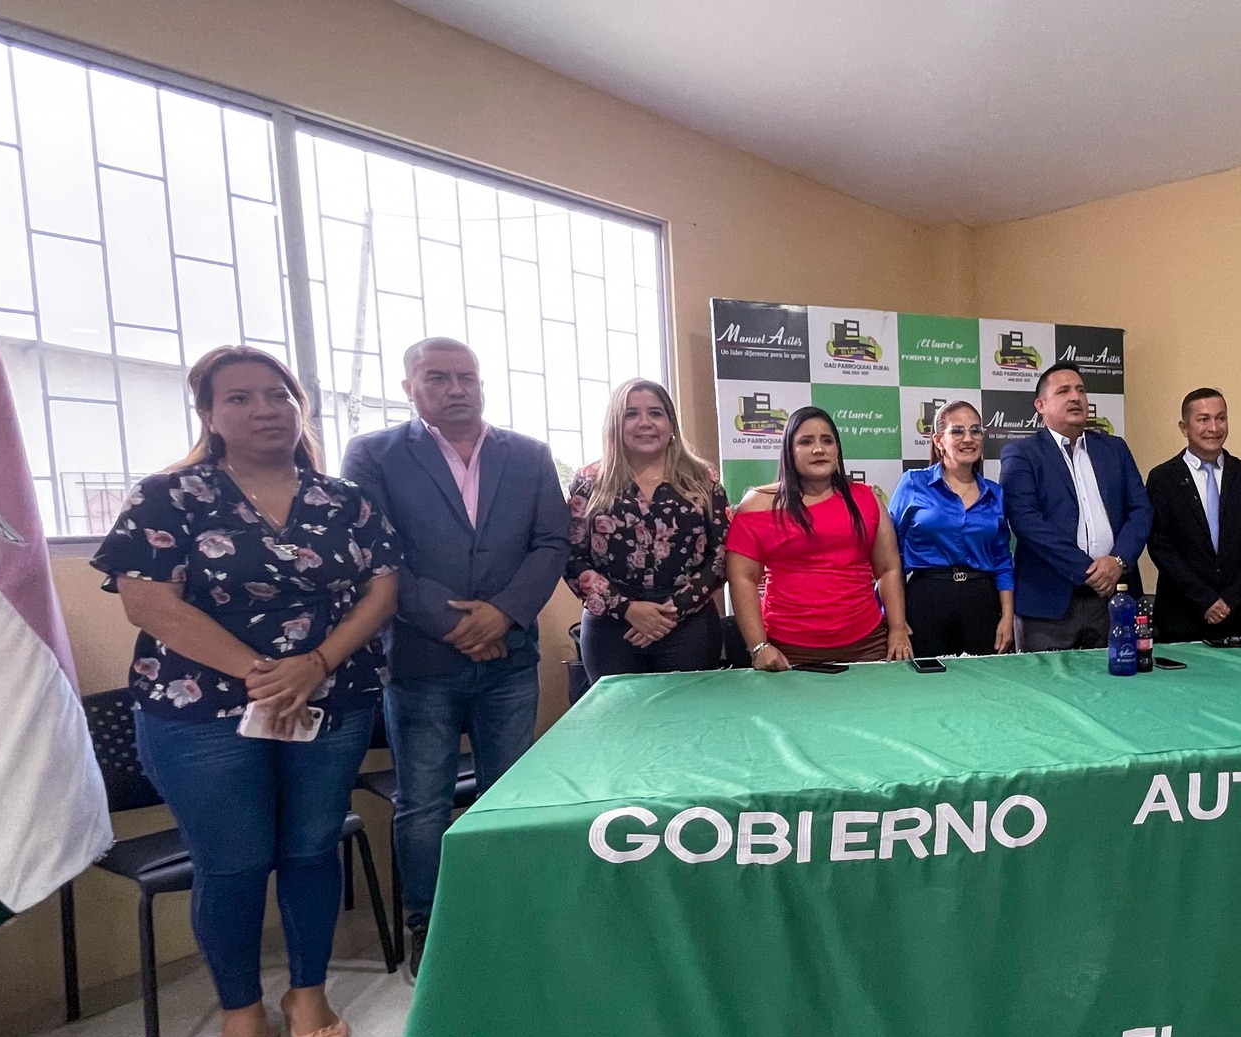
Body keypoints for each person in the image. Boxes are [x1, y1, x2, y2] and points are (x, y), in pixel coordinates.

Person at [92, 345, 399, 1037]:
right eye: (239, 398)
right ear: (209, 414)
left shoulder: (343, 500)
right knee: (232, 863)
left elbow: (382, 589)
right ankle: (239, 1007)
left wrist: (314, 664)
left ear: (300, 407)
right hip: (201, 711)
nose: (264, 409)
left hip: (329, 698)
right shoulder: (169, 496)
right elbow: (148, 601)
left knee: (310, 850)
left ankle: (308, 992)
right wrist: (262, 675)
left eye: (278, 395)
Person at [340, 337, 568, 978]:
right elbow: (377, 552)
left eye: (466, 376)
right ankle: (432, 926)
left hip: (510, 657)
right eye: (437, 378)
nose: (456, 388)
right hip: (421, 661)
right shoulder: (374, 454)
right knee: (423, 803)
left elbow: (551, 543)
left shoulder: (528, 455)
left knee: (511, 793)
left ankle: (509, 913)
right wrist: (457, 624)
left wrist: (504, 613)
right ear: (409, 388)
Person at [566, 379, 729, 681]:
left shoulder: (703, 480)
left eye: (655, 413)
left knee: (690, 711)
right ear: (615, 424)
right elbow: (571, 557)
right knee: (621, 713)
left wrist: (673, 610)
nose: (645, 423)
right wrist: (627, 609)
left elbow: (722, 555)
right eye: (631, 414)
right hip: (611, 628)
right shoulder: (588, 482)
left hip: (688, 626)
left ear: (671, 424)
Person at [724, 407, 911, 669]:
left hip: (868, 644)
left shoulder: (866, 498)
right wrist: (759, 647)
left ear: (837, 449)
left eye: (827, 440)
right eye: (806, 442)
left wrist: (898, 628)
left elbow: (888, 568)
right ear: (789, 451)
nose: (819, 449)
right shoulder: (757, 505)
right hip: (788, 652)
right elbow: (742, 579)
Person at [999, 362, 1152, 651]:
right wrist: (1090, 571)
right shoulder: (1022, 454)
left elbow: (1141, 510)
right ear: (1040, 405)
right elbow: (1026, 521)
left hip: (1114, 598)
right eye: (1064, 391)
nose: (1075, 397)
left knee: (1119, 677)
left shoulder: (1115, 448)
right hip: (1049, 605)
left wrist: (1117, 561)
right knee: (1049, 680)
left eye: (1081, 390)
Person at [888, 401, 1014, 657]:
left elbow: (1002, 560)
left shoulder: (995, 493)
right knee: (929, 679)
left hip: (982, 604)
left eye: (975, 430)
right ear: (938, 441)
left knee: (983, 680)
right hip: (926, 602)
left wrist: (1007, 617)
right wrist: (896, 624)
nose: (968, 438)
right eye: (957, 431)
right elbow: (891, 559)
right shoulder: (913, 483)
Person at [1145, 388, 1241, 642]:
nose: (1214, 427)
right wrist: (1205, 600)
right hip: (1179, 618)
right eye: (1203, 419)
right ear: (1184, 427)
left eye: (1221, 418)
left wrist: (1230, 599)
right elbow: (1161, 547)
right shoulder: (1163, 479)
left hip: (1234, 614)